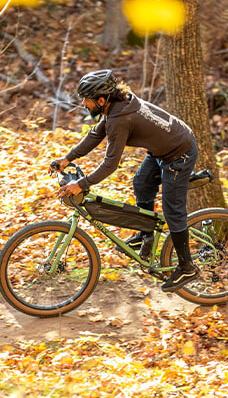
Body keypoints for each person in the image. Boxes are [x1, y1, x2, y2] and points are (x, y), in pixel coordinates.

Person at [50, 69, 200, 292]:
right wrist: (67, 158)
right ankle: (146, 234)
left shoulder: (120, 118)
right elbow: (95, 135)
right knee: (141, 183)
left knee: (173, 210)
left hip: (180, 154)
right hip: (162, 150)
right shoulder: (117, 105)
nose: (83, 104)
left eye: (87, 99)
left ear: (101, 100)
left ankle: (187, 267)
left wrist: (80, 184)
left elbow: (110, 164)